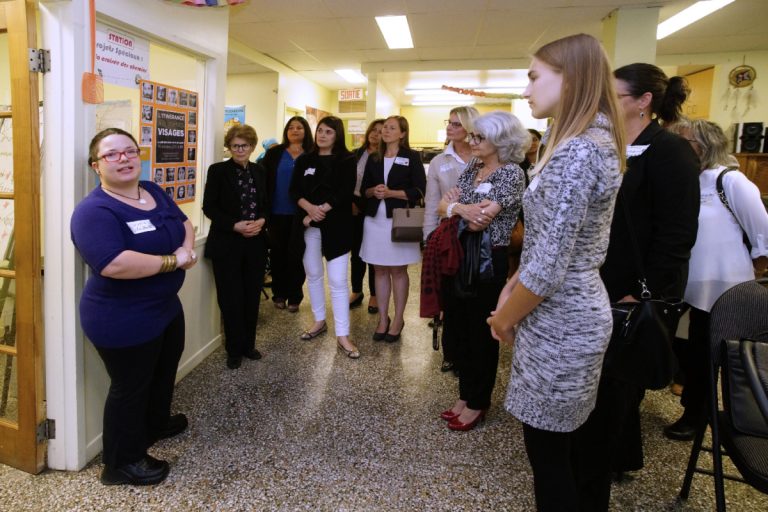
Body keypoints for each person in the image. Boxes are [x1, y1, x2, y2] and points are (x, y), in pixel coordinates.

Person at [487, 34, 624, 511]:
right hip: (563, 313)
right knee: (566, 452)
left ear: (571, 78)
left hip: (563, 321)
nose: (526, 90)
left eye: (533, 76)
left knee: (550, 458)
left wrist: (504, 319)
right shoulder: (581, 141)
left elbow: (548, 266)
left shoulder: (579, 151)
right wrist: (511, 286)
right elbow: (550, 243)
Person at [71, 128, 196, 486]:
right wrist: (175, 261)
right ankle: (120, 463)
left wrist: (186, 250)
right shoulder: (93, 211)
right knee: (131, 386)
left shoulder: (152, 190)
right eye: (112, 154)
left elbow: (183, 222)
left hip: (164, 308)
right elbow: (114, 264)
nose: (124, 158)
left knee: (162, 370)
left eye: (129, 151)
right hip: (121, 317)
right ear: (97, 166)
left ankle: (155, 424)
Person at [595, 63, 700, 490]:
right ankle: (608, 451)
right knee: (606, 378)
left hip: (643, 289)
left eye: (613, 97)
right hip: (606, 279)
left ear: (643, 102)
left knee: (624, 378)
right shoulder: (610, 147)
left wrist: (645, 292)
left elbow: (677, 234)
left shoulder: (670, 152)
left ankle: (611, 458)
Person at [666, 119, 768, 437]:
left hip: (721, 288)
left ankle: (696, 417)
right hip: (684, 284)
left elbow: (762, 234)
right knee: (679, 346)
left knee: (704, 356)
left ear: (704, 146)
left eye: (686, 143)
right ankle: (689, 404)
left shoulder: (731, 182)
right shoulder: (685, 181)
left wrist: (755, 276)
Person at [437, 111, 527, 430]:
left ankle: (478, 402)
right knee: (459, 327)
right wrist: (459, 208)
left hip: (490, 258)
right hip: (462, 254)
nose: (472, 141)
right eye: (472, 136)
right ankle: (464, 396)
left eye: (479, 137)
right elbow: (443, 207)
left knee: (480, 333)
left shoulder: (512, 174)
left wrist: (456, 209)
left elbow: (481, 220)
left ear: (501, 141)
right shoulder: (474, 166)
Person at [289, 116, 360, 358]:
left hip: (337, 226)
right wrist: (309, 209)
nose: (322, 135)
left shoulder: (347, 159)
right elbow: (294, 190)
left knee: (339, 281)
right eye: (320, 130)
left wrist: (320, 210)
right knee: (313, 274)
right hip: (309, 225)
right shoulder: (305, 159)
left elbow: (344, 191)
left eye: (329, 132)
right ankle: (319, 320)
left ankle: (343, 334)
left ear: (337, 135)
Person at [202, 124, 269, 370]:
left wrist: (262, 220)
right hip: (227, 243)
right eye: (235, 145)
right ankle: (233, 349)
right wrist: (235, 226)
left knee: (252, 296)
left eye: (245, 145)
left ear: (252, 147)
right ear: (229, 147)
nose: (240, 149)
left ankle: (248, 345)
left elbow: (265, 204)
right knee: (230, 298)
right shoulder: (218, 171)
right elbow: (209, 207)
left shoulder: (259, 171)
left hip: (255, 243)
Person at [360, 115, 426, 342]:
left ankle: (398, 319)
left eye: (391, 128)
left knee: (398, 271)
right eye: (383, 128)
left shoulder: (411, 157)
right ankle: (383, 319)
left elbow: (419, 190)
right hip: (374, 220)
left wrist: (392, 193)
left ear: (403, 133)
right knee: (379, 270)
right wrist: (374, 191)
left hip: (399, 221)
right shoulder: (374, 157)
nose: (384, 131)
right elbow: (364, 190)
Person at [423, 106, 479, 374]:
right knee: (450, 298)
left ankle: (470, 352)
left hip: (479, 235)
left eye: (457, 124)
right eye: (449, 122)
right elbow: (432, 202)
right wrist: (429, 237)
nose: (450, 127)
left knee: (473, 298)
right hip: (447, 236)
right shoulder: (438, 161)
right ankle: (451, 352)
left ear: (470, 127)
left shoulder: (484, 157)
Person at [262, 116, 314, 312]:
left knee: (296, 254)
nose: (294, 130)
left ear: (305, 131)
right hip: (276, 212)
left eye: (299, 127)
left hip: (301, 213)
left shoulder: (312, 154)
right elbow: (264, 181)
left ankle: (295, 294)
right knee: (277, 254)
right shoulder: (275, 153)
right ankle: (279, 293)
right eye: (291, 127)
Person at [350, 119, 384, 314]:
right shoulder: (357, 154)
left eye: (380, 131)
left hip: (374, 207)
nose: (375, 134)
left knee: (373, 253)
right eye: (373, 130)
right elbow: (348, 181)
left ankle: (374, 294)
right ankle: (356, 290)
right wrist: (351, 203)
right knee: (356, 252)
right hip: (355, 205)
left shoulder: (385, 156)